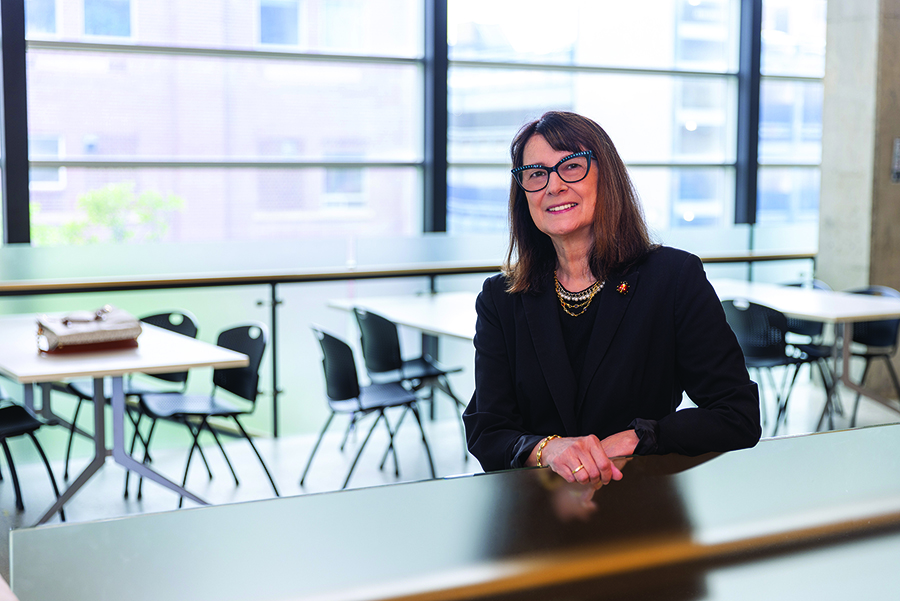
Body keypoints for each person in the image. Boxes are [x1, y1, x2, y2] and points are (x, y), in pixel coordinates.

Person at [462, 111, 761, 487]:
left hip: (642, 502)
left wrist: (640, 437)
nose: (553, 186)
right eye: (537, 174)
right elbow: (488, 430)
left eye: (571, 166)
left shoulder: (673, 278)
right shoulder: (500, 299)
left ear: (607, 176)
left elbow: (737, 414)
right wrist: (547, 449)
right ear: (523, 194)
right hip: (534, 512)